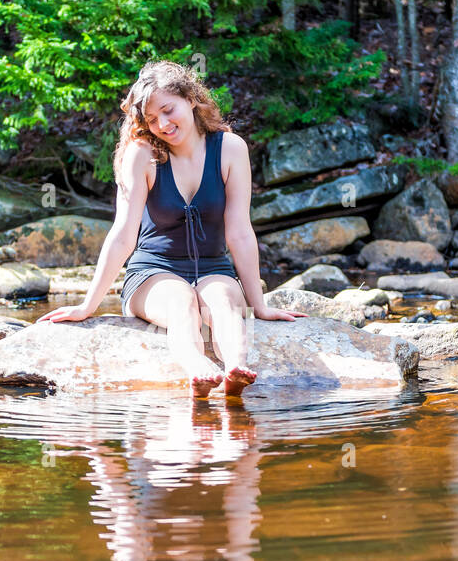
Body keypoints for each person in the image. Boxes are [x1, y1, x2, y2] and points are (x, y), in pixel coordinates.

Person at [37, 60, 305, 398]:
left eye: (168, 110)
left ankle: (236, 368)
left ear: (191, 99)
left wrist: (260, 305)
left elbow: (239, 232)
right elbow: (123, 234)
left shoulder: (230, 149)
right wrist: (87, 306)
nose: (163, 124)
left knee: (222, 301)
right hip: (152, 272)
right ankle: (198, 369)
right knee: (182, 303)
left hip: (214, 268)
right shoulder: (142, 155)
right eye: (151, 119)